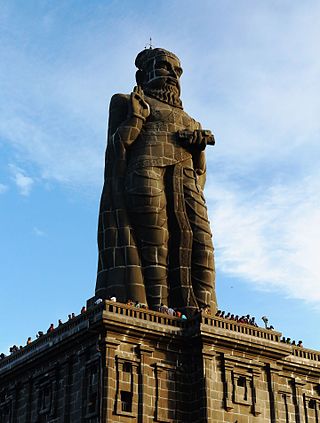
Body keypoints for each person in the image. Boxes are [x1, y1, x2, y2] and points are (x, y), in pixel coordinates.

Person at [96, 47, 217, 316]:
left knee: (201, 242)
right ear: (143, 73)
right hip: (145, 172)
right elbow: (116, 147)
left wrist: (198, 149)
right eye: (165, 67)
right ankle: (156, 306)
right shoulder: (126, 101)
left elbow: (200, 172)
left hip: (186, 180)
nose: (173, 75)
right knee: (154, 243)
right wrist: (137, 118)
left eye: (177, 71)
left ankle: (203, 309)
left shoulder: (191, 120)